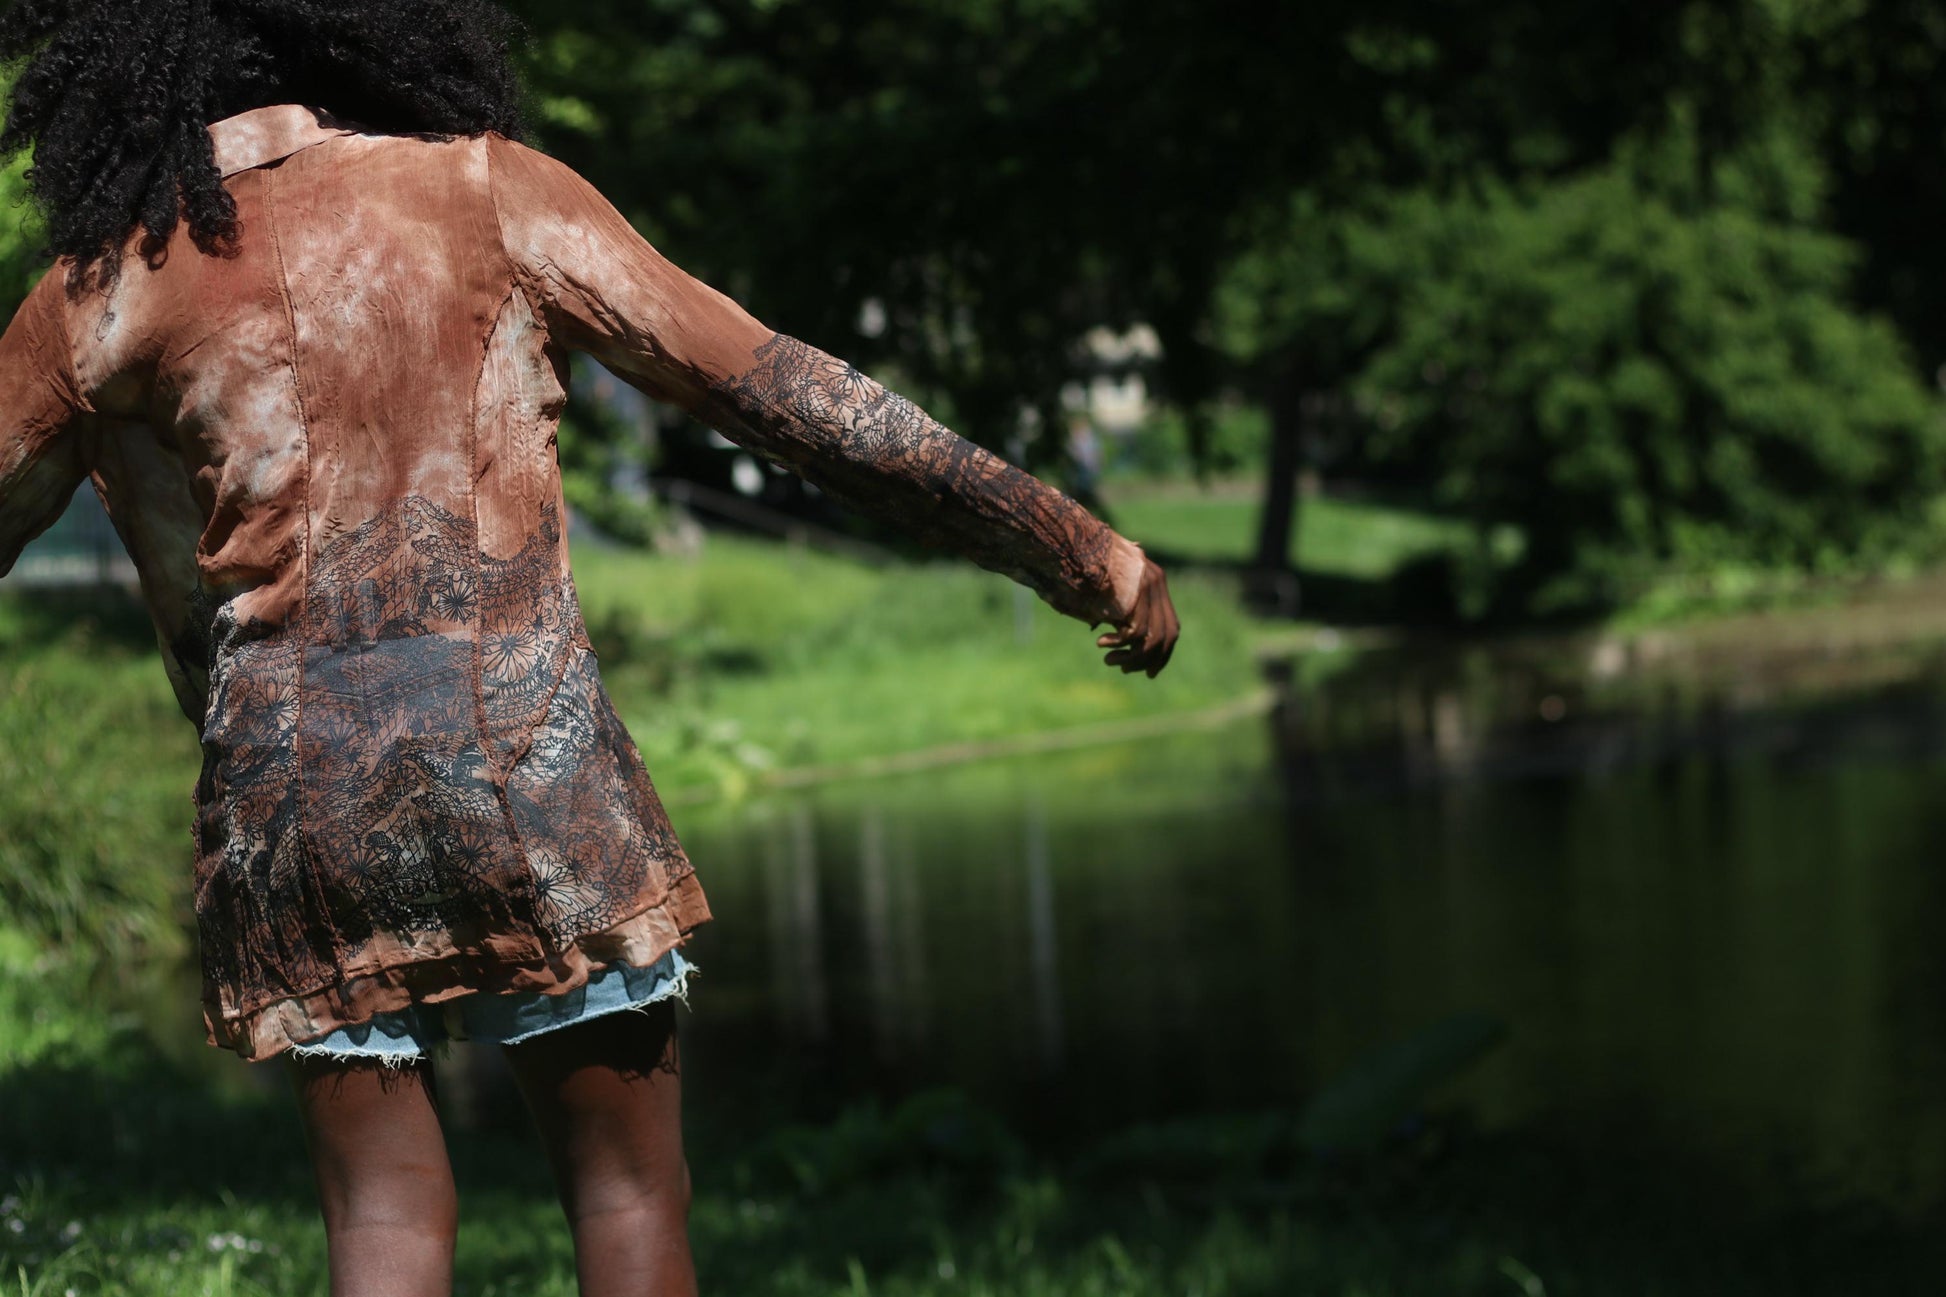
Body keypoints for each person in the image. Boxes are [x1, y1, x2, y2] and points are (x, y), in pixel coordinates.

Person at [0, 2, 1180, 1293]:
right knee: (626, 1195)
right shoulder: (485, 193)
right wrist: (1077, 548)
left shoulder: (98, 288)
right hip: (526, 768)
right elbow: (790, 398)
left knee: (381, 1222)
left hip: (293, 806)